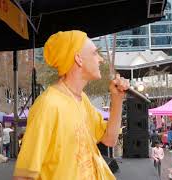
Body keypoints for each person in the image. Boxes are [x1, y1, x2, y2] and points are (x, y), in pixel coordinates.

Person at [13, 30, 129, 180]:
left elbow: (109, 139)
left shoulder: (82, 99)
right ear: (79, 59)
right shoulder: (48, 105)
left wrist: (117, 99)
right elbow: (24, 176)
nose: (100, 59)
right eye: (95, 53)